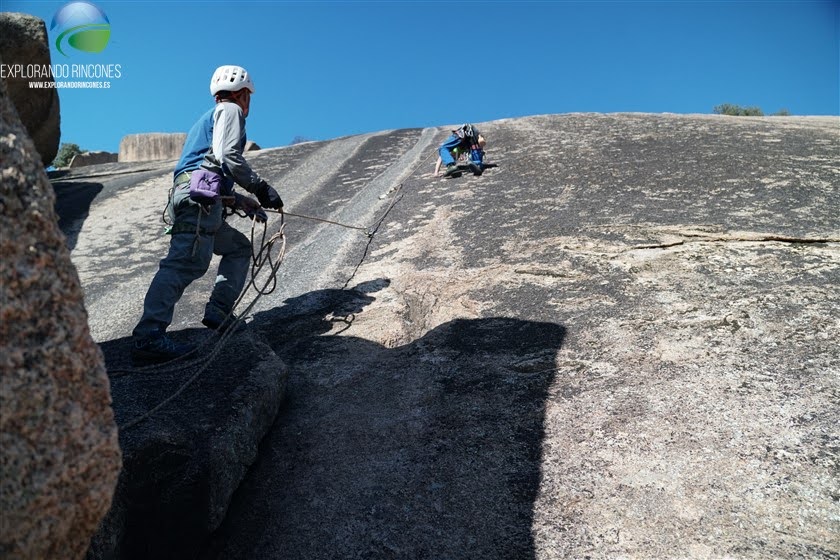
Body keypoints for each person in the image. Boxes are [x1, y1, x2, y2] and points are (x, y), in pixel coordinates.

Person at [131, 65, 283, 364]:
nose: (248, 103)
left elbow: (208, 170)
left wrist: (241, 201)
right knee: (185, 263)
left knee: (238, 248)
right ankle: (148, 336)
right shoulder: (230, 111)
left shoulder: (209, 117)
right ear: (243, 94)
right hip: (197, 203)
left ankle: (219, 312)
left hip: (195, 199)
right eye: (248, 97)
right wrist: (259, 187)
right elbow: (227, 157)